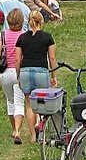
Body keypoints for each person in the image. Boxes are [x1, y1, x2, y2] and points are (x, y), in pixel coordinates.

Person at [15, 9, 58, 142]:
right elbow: (52, 58)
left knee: (29, 105)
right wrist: (54, 75)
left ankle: (33, 136)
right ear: (42, 21)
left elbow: (17, 59)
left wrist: (18, 74)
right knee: (42, 102)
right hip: (41, 71)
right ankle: (39, 122)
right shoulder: (47, 37)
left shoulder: (22, 38)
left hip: (26, 71)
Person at [0, 8, 27, 144]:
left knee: (10, 101)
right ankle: (19, 131)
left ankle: (13, 129)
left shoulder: (2, 35)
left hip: (5, 72)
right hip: (19, 71)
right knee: (19, 102)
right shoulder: (25, 35)